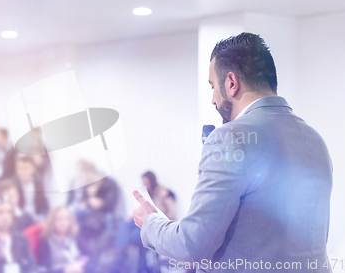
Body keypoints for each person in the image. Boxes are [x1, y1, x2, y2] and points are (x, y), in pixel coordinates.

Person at [132, 33, 333, 272]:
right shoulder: (313, 138)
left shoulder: (230, 138)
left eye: (213, 86)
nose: (213, 99)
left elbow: (192, 244)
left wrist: (151, 223)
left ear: (231, 82)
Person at [37, 207, 85, 273]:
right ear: (52, 221)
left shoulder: (74, 236)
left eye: (67, 219)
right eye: (59, 219)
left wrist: (81, 263)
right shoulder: (46, 240)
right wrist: (63, 270)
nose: (64, 222)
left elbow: (89, 255)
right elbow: (43, 270)